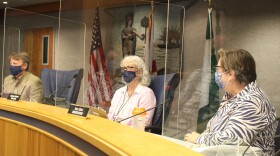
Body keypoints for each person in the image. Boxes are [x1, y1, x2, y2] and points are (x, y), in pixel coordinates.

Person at [184, 49, 276, 155]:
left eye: (218, 70)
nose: (217, 75)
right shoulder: (232, 96)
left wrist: (199, 139)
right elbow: (213, 128)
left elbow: (233, 139)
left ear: (231, 74)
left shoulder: (253, 101)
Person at [108, 55, 156, 126]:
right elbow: (110, 116)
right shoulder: (119, 92)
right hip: (113, 130)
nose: (125, 71)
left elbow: (141, 124)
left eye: (130, 67)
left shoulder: (146, 94)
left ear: (140, 72)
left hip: (132, 134)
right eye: (124, 68)